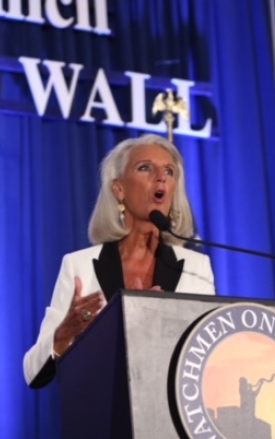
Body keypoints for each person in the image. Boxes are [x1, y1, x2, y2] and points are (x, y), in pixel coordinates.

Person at [23, 133, 216, 388]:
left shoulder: (196, 267)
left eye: (169, 171)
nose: (160, 177)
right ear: (119, 189)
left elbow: (208, 356)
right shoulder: (79, 265)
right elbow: (33, 373)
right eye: (145, 168)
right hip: (103, 414)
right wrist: (63, 336)